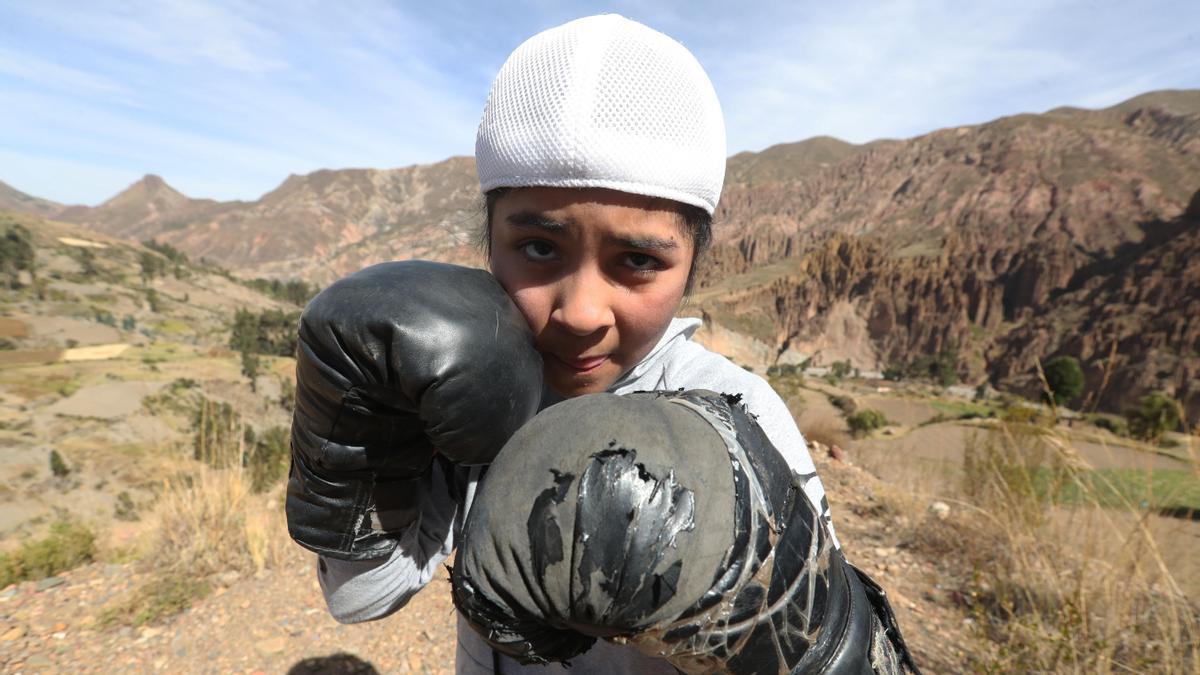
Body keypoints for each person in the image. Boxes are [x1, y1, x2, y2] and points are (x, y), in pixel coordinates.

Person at [286, 14, 915, 674]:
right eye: (538, 247)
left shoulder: (737, 408)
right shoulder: (472, 386)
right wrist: (354, 418)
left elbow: (829, 650)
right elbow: (361, 593)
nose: (581, 312)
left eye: (639, 260)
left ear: (694, 262)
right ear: (488, 237)